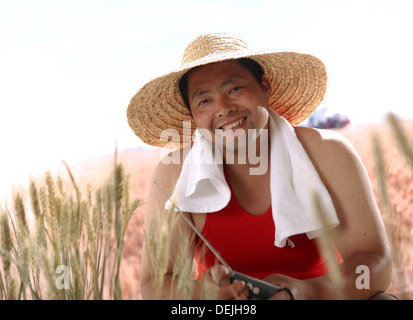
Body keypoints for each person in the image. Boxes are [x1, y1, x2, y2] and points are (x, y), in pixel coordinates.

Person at [127, 33, 396, 300]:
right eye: (204, 101)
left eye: (235, 89)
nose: (223, 108)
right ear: (193, 115)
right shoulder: (175, 173)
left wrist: (308, 291)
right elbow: (154, 286)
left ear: (264, 87)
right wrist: (202, 292)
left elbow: (373, 265)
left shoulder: (327, 153)